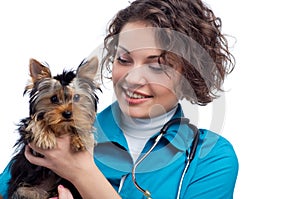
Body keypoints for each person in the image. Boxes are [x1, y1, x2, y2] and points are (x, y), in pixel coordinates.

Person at [0, 0, 238, 198]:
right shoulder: (51, 136)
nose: (133, 79)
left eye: (157, 65)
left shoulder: (211, 157)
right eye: (124, 60)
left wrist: (81, 172)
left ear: (189, 74)